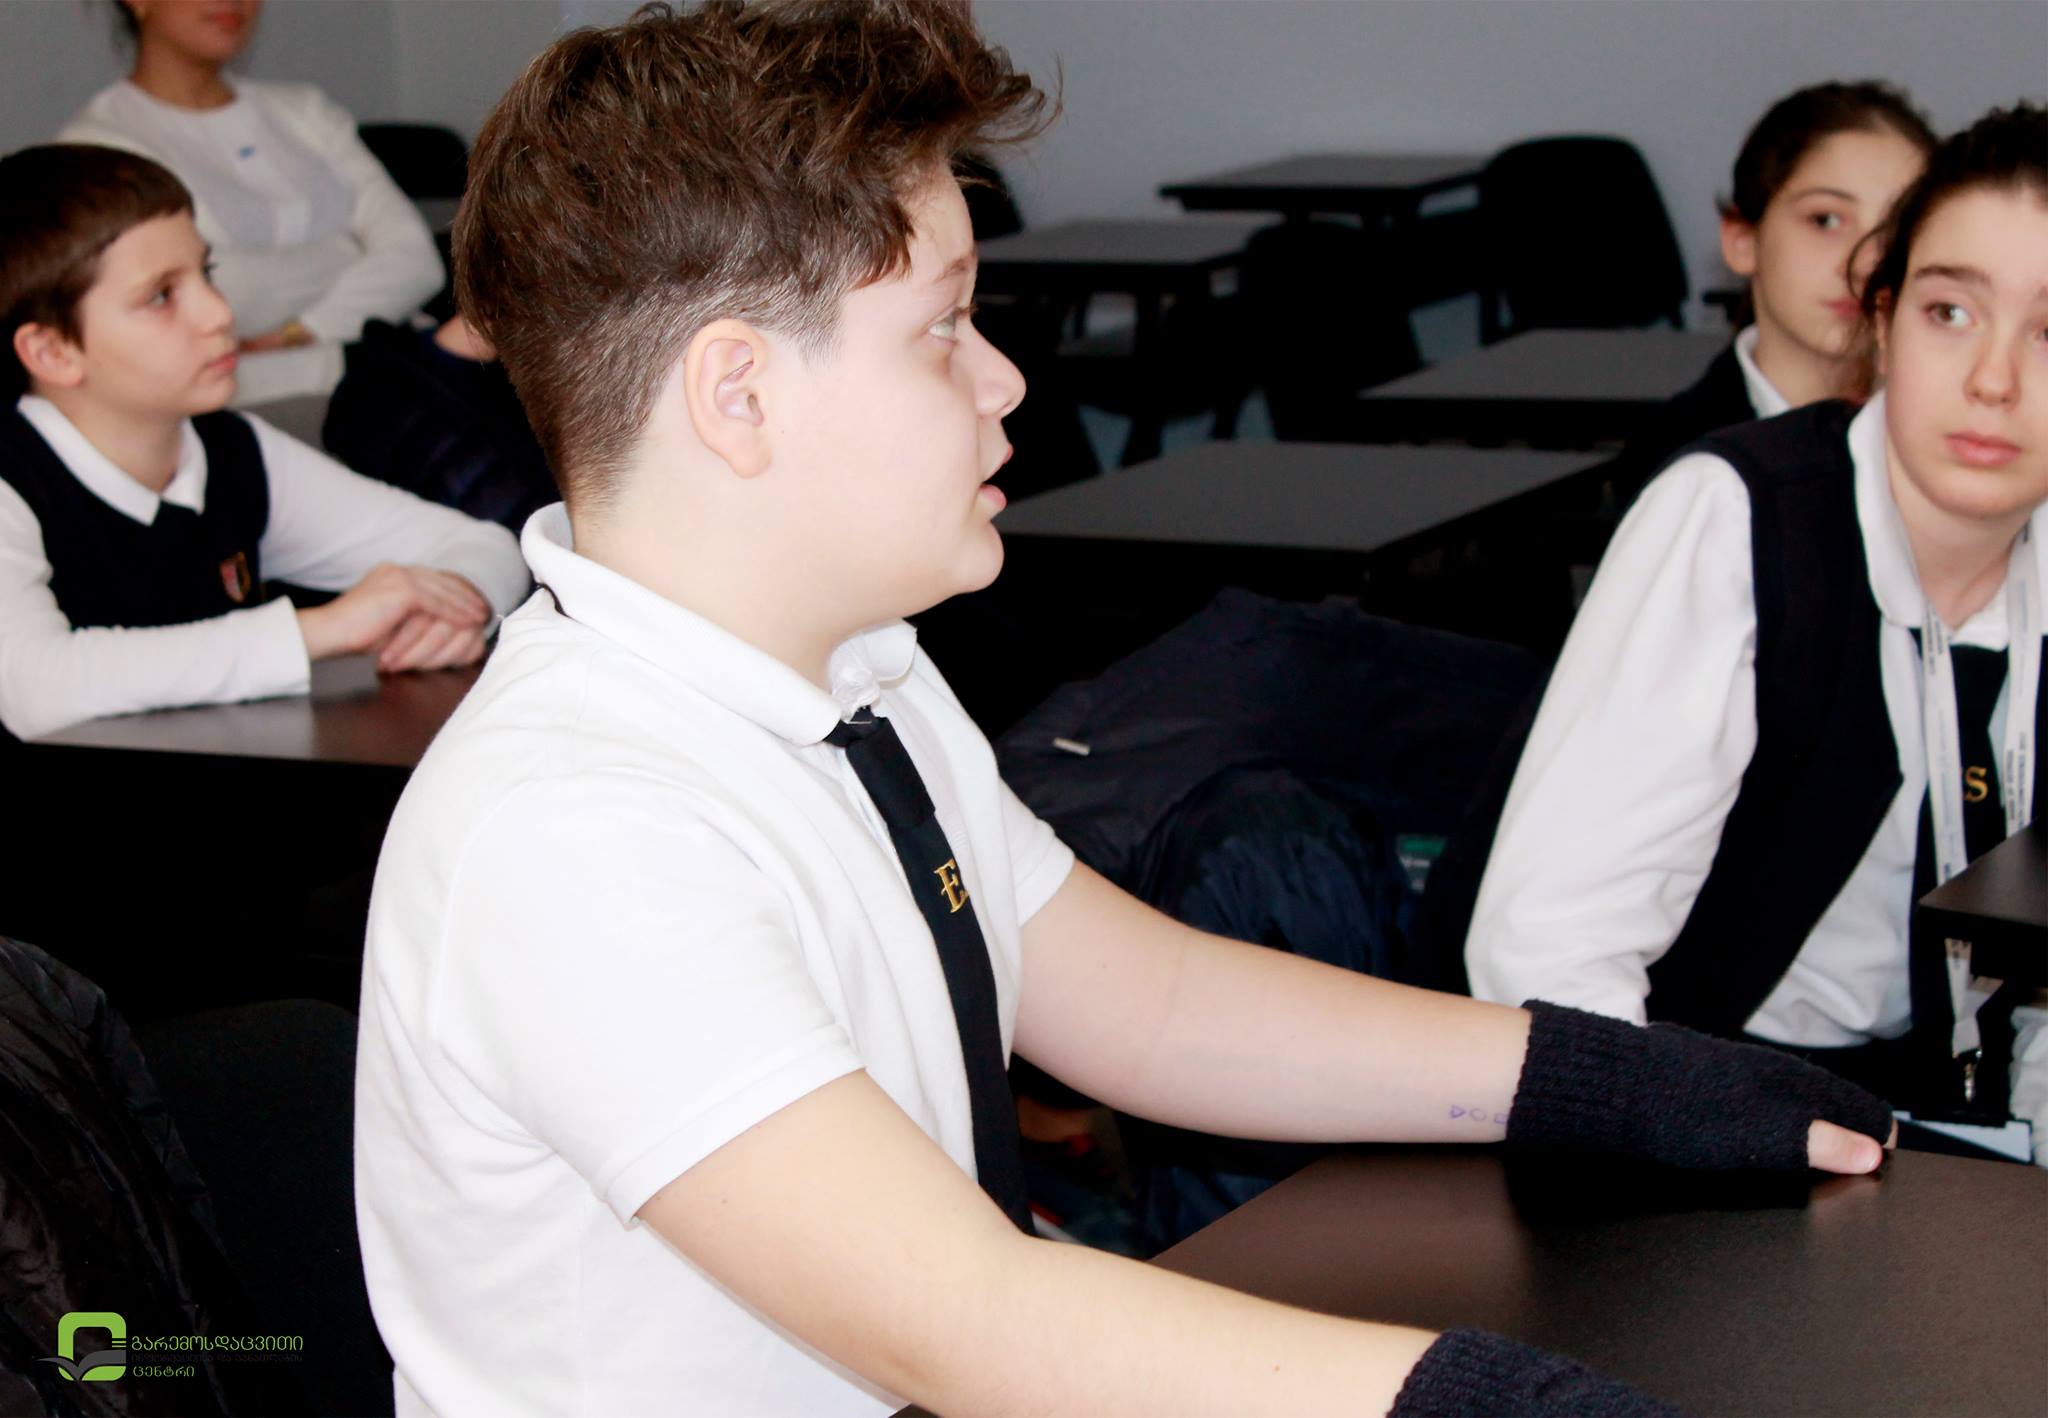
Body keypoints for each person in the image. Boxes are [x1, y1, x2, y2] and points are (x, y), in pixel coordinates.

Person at [352, 6, 1894, 1415]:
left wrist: (1600, 1078)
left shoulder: (855, 672)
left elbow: (1147, 1004)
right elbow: (968, 1320)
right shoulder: (574, 829)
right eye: (945, 327)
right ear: (738, 396)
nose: (1005, 381)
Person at [1467, 103, 2048, 1166]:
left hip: (1948, 1120)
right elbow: (1547, 954)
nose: (1993, 379)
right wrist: (1690, 1151)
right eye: (1949, 312)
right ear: (1881, 322)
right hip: (1704, 1111)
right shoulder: (1736, 520)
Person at [0, 143, 528, 742]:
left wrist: (460, 604)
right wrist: (320, 631)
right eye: (161, 296)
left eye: (206, 274)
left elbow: (481, 543)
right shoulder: (12, 481)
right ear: (51, 352)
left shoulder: (230, 450)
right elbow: (32, 687)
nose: (218, 313)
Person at [58, 0, 443, 405]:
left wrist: (306, 329)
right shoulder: (95, 148)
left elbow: (418, 260)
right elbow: (214, 296)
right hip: (250, 406)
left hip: (402, 378)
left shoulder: (306, 109)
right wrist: (349, 251)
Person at [1611, 81, 1935, 502]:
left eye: (1897, 229)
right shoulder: (1678, 457)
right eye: (1825, 220)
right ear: (1743, 241)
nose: (1865, 263)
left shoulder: (1950, 431)